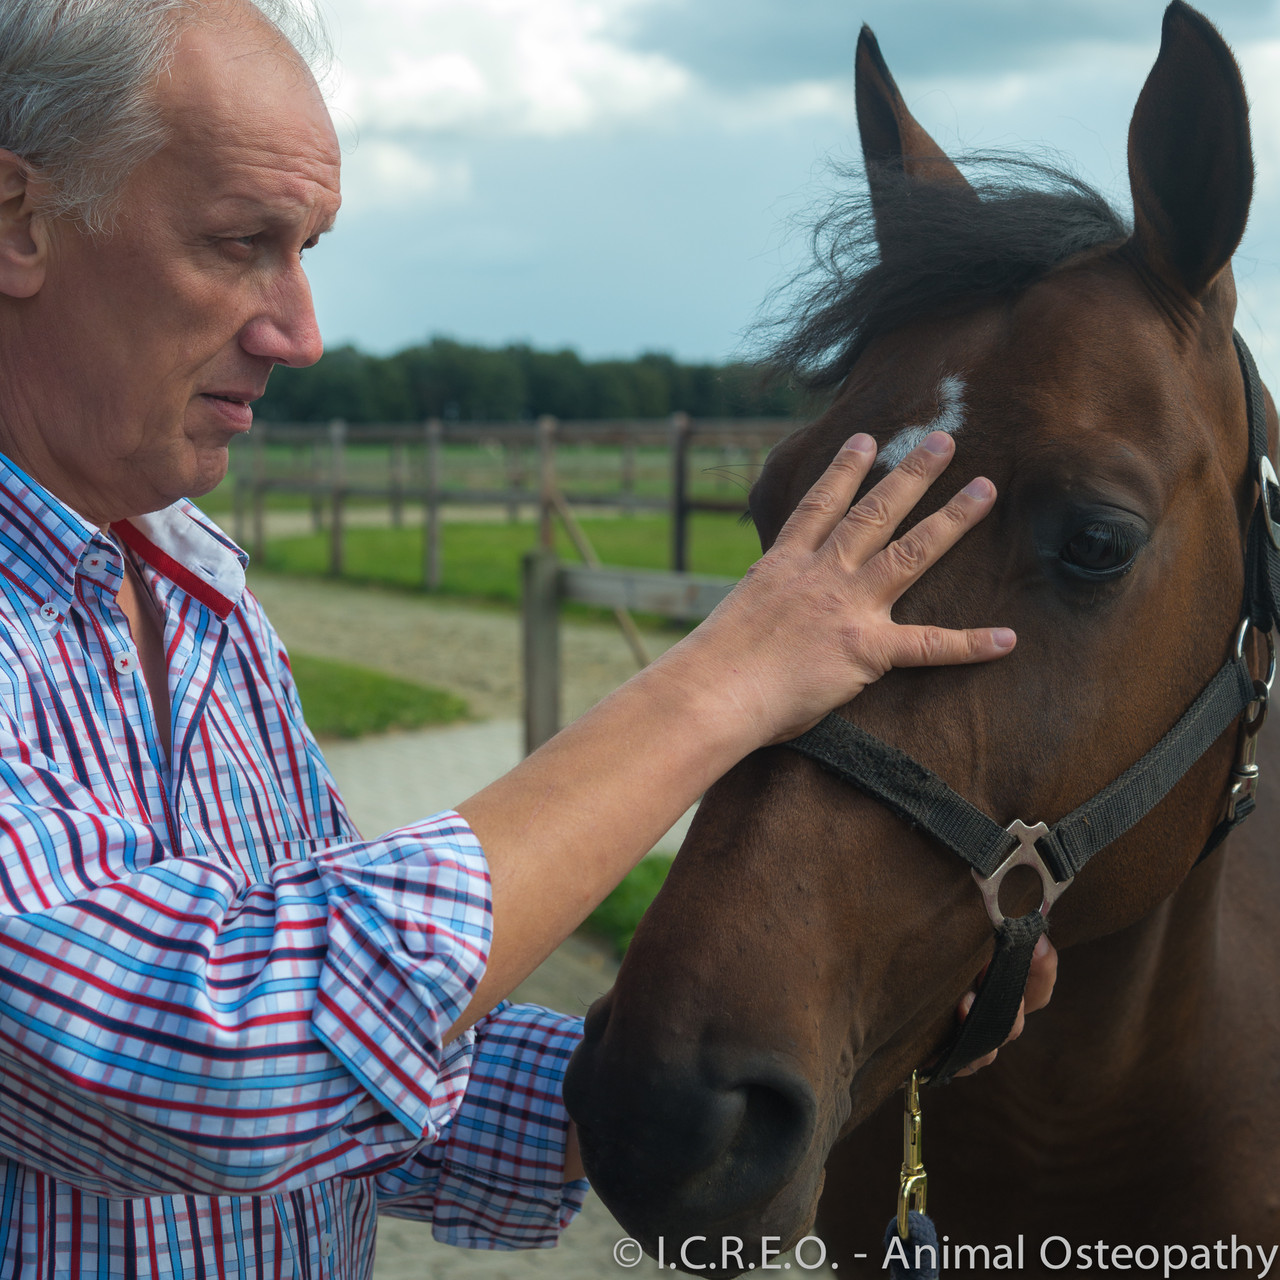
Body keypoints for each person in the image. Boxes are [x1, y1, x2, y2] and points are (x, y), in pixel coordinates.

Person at [0, 0, 1056, 1275]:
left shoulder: (190, 578)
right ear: (19, 221)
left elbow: (347, 1084)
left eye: (307, 249)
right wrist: (722, 681)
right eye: (239, 244)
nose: (301, 329)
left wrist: (709, 1066)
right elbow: (215, 1061)